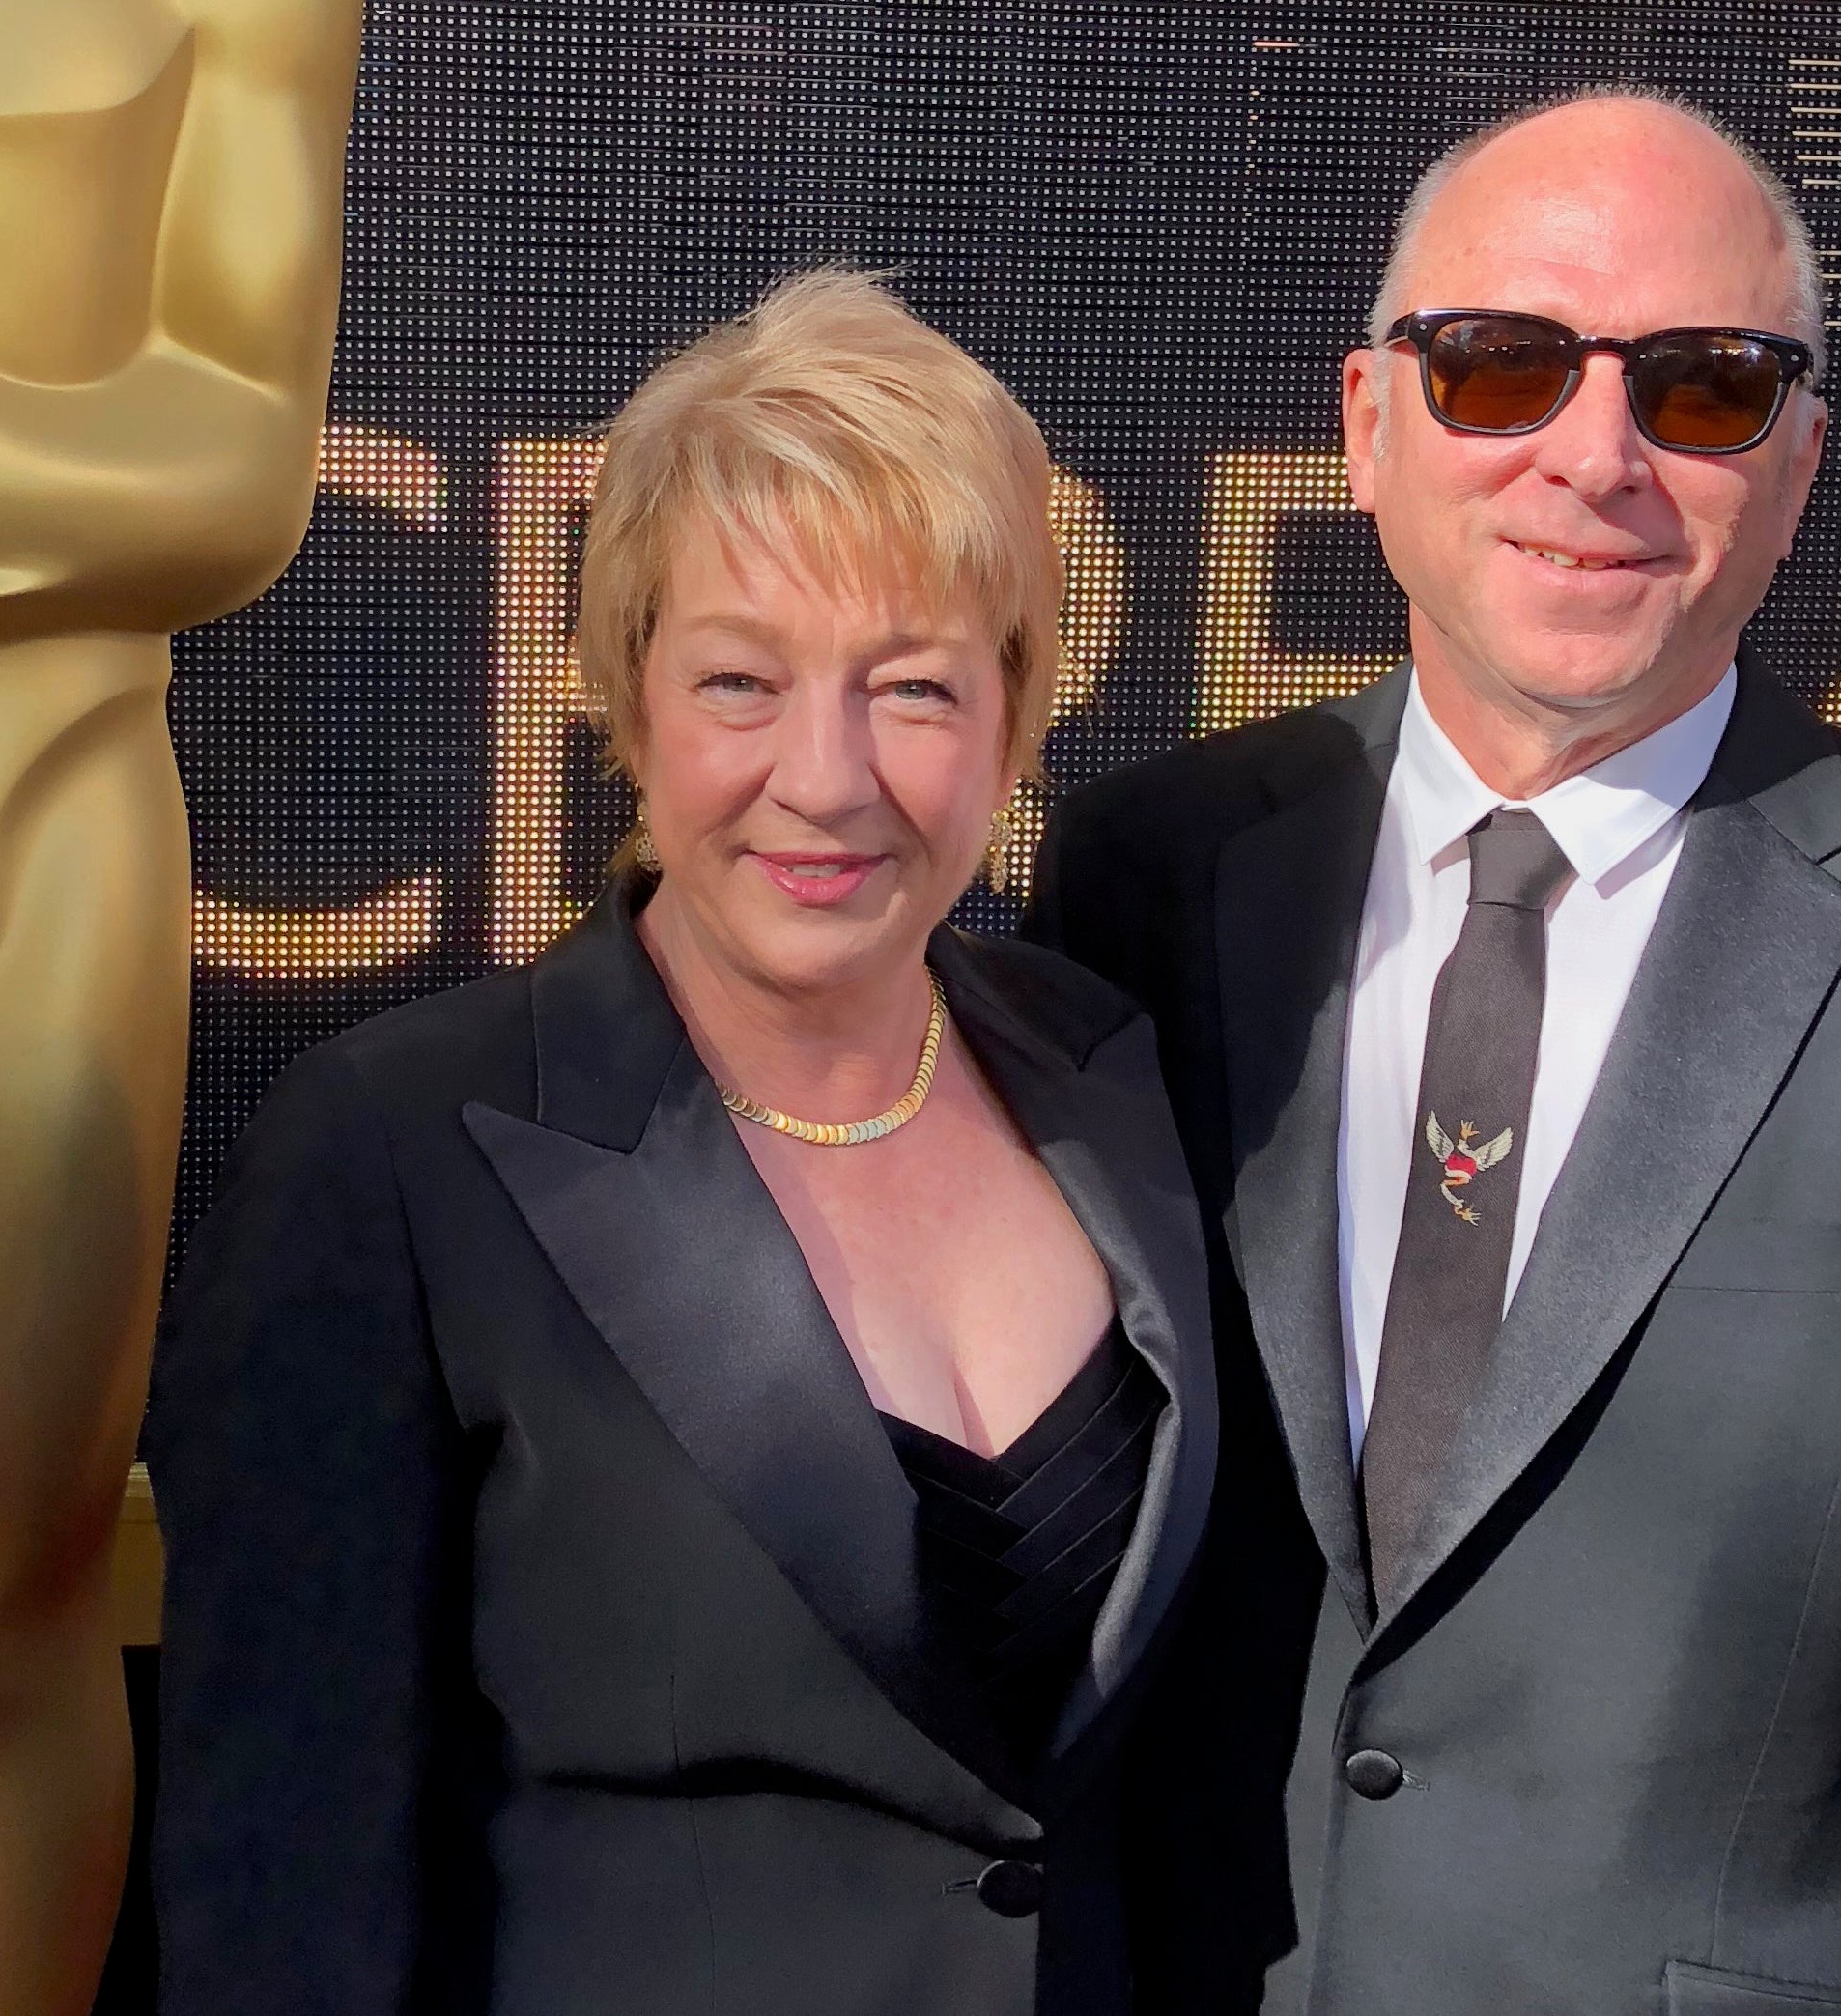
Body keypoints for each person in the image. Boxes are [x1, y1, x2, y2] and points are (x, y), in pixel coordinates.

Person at [1030, 92, 1841, 2014]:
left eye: (1707, 389)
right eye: (1501, 367)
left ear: (1801, 467)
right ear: (1366, 425)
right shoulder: (1145, 875)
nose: (1599, 456)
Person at [148, 270, 1215, 2014]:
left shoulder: (1109, 1073)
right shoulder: (398, 1156)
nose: (826, 774)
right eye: (741, 680)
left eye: (915, 690)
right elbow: (285, 1876)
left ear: (1018, 717)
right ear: (623, 696)